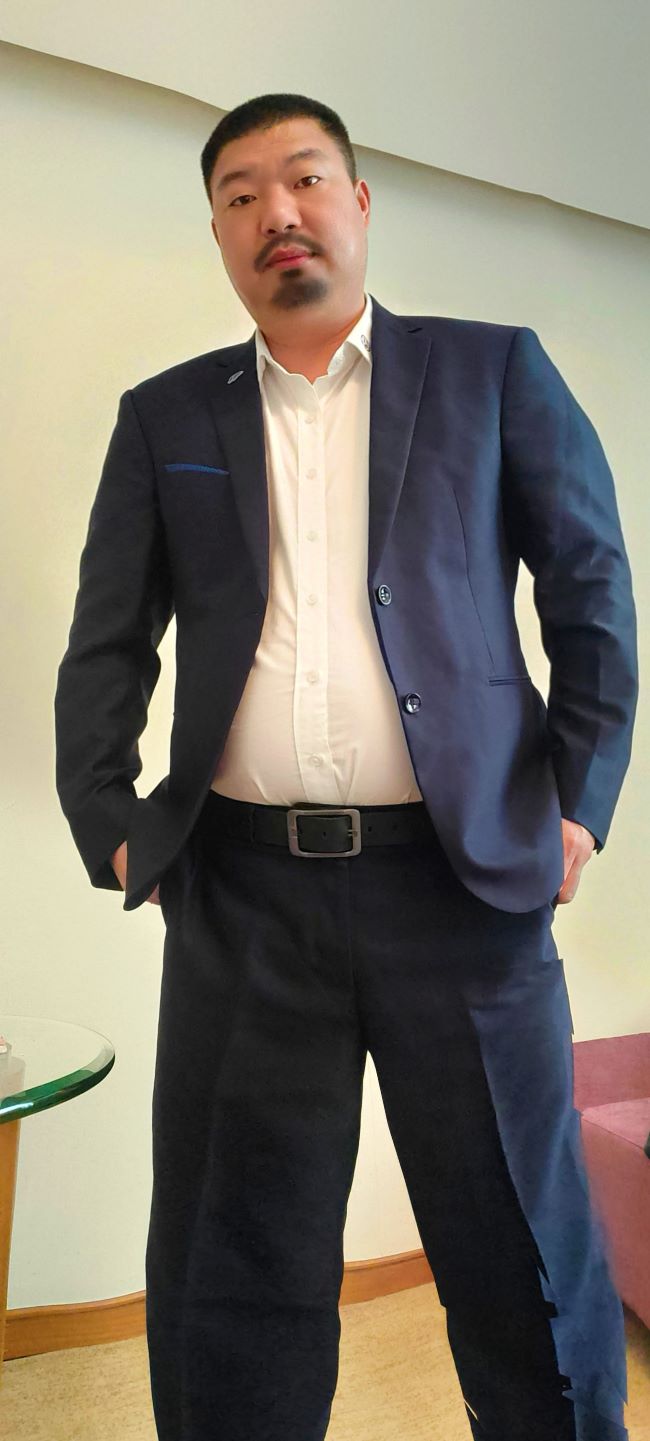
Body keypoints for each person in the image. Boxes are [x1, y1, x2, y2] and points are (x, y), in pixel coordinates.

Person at [54, 91, 638, 1441]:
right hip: (241, 898)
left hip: (463, 888)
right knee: (230, 1258)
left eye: (305, 178)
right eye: (240, 195)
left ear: (359, 202)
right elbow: (107, 641)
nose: (279, 212)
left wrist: (578, 804)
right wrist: (109, 816)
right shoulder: (164, 416)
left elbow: (592, 594)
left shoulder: (493, 373)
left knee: (523, 1247)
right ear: (217, 233)